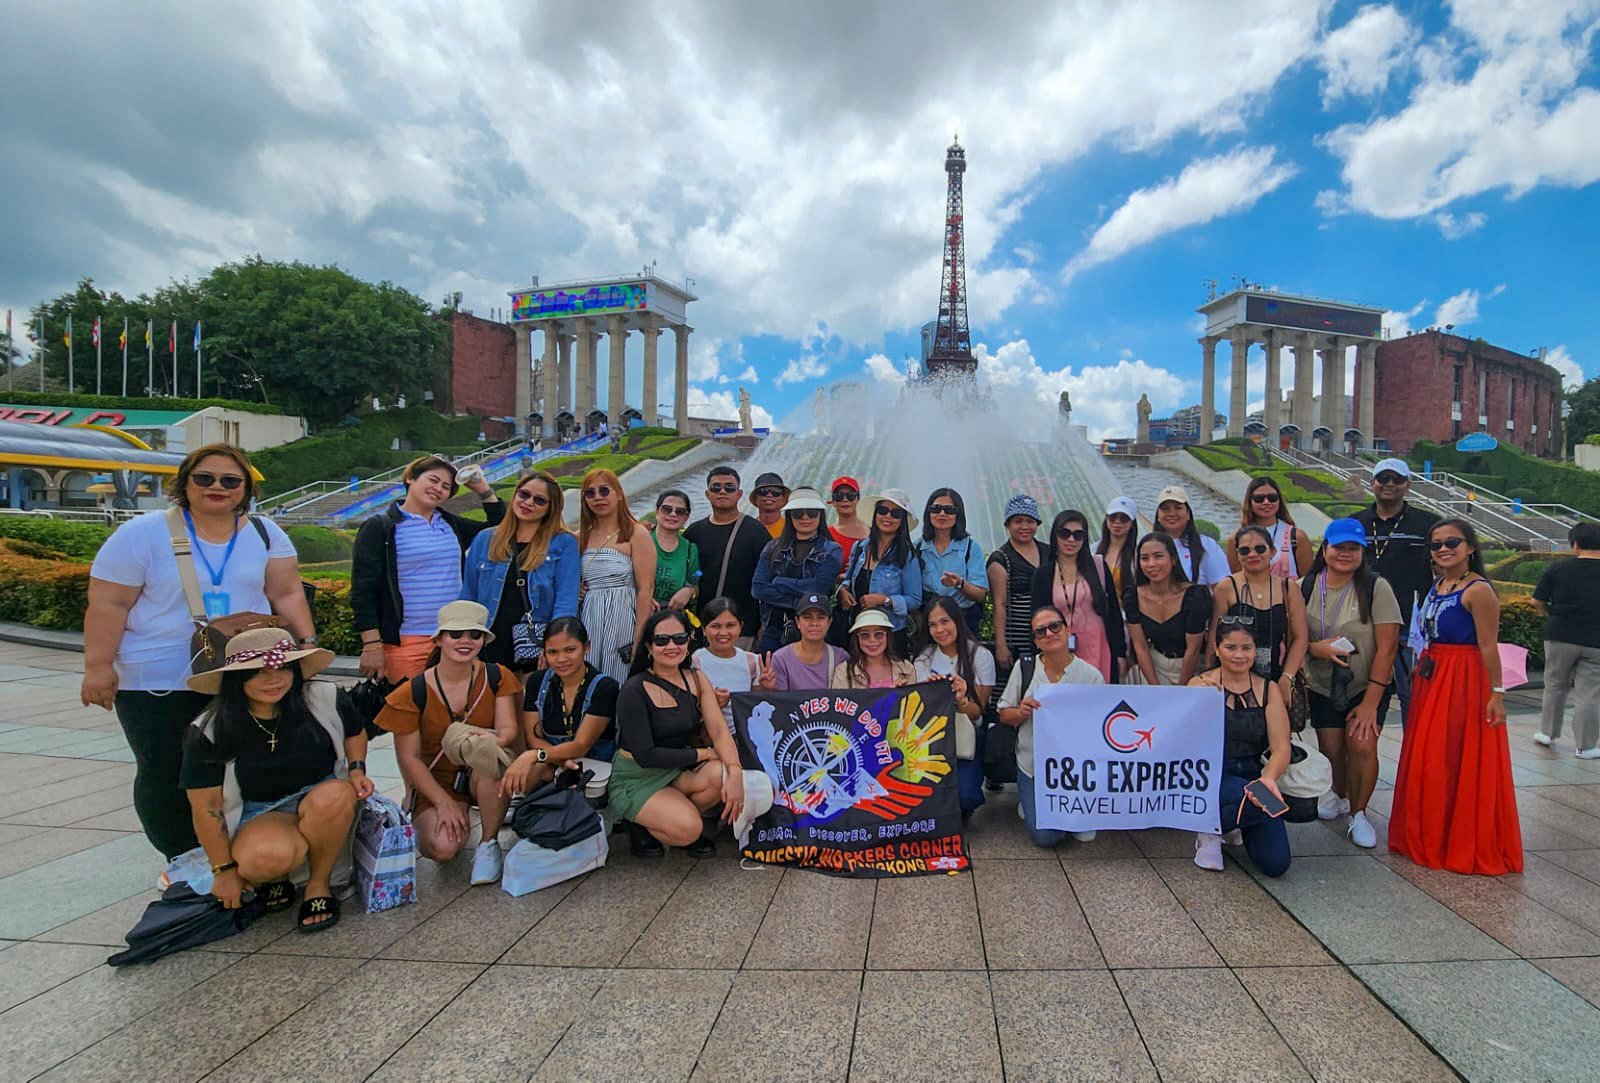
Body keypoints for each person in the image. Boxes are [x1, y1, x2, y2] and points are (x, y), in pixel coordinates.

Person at [82, 443, 314, 860]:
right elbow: (107, 603)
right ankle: (181, 855)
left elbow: (286, 592)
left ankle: (236, 851)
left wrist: (306, 647)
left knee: (237, 766)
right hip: (157, 678)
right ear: (185, 482)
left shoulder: (263, 532)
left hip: (240, 673)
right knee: (165, 770)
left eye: (231, 480)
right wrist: (98, 666)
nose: (217, 487)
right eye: (204, 478)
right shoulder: (142, 533)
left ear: (245, 489)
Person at [181, 629, 368, 930]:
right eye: (257, 672)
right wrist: (223, 870)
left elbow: (355, 730)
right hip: (258, 812)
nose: (273, 679)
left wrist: (357, 769)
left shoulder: (322, 697)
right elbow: (207, 807)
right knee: (265, 858)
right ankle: (278, 874)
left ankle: (318, 884)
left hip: (321, 797)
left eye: (282, 667)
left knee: (336, 795)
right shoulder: (210, 729)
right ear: (235, 679)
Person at [1388, 519, 1522, 874]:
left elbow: (1488, 646)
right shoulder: (1440, 584)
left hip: (1464, 679)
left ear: (1471, 547)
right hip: (1433, 676)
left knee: (1455, 756)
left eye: (1453, 542)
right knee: (1433, 758)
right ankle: (1431, 835)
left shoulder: (1478, 590)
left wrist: (1496, 694)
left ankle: (1458, 841)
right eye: (1436, 545)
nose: (1444, 549)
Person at [375, 601, 523, 886]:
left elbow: (507, 730)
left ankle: (488, 843)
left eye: (474, 635)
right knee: (443, 847)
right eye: (456, 634)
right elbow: (410, 758)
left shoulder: (497, 676)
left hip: (479, 769)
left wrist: (480, 741)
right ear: (439, 639)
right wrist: (442, 802)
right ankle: (453, 811)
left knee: (491, 764)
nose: (465, 641)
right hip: (437, 779)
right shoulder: (413, 692)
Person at [352, 455, 504, 683]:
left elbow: (498, 529)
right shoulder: (380, 527)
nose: (438, 489)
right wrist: (372, 644)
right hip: (406, 640)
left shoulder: (450, 524)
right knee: (407, 710)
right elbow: (364, 588)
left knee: (452, 710)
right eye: (432, 480)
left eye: (445, 487)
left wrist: (482, 489)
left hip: (453, 637)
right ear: (411, 478)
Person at [610, 609, 745, 857]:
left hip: (675, 770)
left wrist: (735, 771)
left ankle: (669, 815)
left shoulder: (695, 678)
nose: (671, 646)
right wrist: (704, 754)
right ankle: (645, 823)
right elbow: (646, 755)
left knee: (722, 774)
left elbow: (718, 729)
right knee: (690, 828)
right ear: (649, 647)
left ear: (689, 642)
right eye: (662, 640)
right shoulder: (633, 690)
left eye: (679, 639)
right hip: (637, 776)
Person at [1301, 518, 1401, 848]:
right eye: (1339, 547)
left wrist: (1372, 702)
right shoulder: (1305, 585)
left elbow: (1387, 647)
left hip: (1364, 684)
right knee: (1331, 748)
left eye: (1353, 548)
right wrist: (1316, 648)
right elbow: (1295, 638)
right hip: (1322, 683)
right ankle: (1339, 794)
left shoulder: (1376, 587)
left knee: (1361, 744)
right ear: (1325, 549)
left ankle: (1359, 813)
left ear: (1362, 552)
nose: (1345, 553)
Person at [1188, 623, 1293, 876]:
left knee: (1276, 864)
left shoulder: (1269, 689)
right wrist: (1199, 701)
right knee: (1245, 799)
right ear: (1216, 648)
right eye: (1230, 647)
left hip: (1253, 775)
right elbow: (1185, 739)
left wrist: (1268, 779)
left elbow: (1281, 747)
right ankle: (1210, 829)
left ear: (1256, 651)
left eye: (1246, 648)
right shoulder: (1199, 684)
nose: (1238, 655)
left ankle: (1234, 820)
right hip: (1212, 774)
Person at [996, 605, 1104, 848]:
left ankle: (1064, 812)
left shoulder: (1091, 676)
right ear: (1035, 640)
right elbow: (1004, 714)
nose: (1049, 634)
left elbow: (1100, 728)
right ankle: (1030, 800)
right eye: (1040, 631)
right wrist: (1021, 712)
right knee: (1046, 837)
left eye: (1054, 627)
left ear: (1067, 630)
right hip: (1033, 765)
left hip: (1077, 770)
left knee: (1085, 834)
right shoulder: (1024, 668)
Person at [460, 470, 578, 671]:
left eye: (539, 500)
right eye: (524, 494)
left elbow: (565, 600)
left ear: (551, 508)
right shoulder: (485, 539)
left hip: (533, 645)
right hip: (488, 643)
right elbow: (468, 596)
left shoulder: (562, 543)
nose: (528, 502)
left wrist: (555, 647)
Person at [1354, 457, 1440, 724]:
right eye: (1383, 479)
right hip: (1364, 622)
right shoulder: (1357, 523)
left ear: (1408, 485)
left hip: (1409, 626)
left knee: (1413, 699)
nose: (1389, 484)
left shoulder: (1428, 523)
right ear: (1372, 483)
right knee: (1366, 699)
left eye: (1397, 479)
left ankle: (1415, 763)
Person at [501, 617, 619, 798]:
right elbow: (533, 737)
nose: (561, 659)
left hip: (593, 769)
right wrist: (557, 759)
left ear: (586, 647)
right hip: (553, 763)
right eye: (552, 652)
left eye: (570, 650)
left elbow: (581, 745)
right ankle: (515, 809)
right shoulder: (537, 681)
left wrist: (535, 756)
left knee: (534, 764)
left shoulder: (605, 687)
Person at [914, 596, 995, 816]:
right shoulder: (924, 658)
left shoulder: (981, 656)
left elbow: (978, 716)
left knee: (965, 797)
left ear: (957, 621)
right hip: (932, 739)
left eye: (945, 621)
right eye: (933, 624)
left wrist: (962, 699)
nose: (939, 629)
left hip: (965, 738)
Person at [1211, 525, 1309, 698]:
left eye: (1259, 548)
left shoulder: (1288, 588)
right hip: (1232, 679)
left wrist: (1287, 677)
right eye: (1244, 550)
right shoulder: (1226, 588)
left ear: (1272, 551)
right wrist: (1212, 675)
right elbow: (1213, 637)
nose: (1252, 555)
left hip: (1275, 678)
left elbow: (1300, 638)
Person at [1030, 509, 1127, 683]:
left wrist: (1120, 653)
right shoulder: (1043, 574)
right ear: (1055, 536)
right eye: (1064, 534)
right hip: (1060, 647)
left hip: (1098, 645)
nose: (1071, 540)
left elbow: (1113, 613)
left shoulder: (1098, 567)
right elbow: (1037, 617)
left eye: (1078, 535)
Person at [578, 468, 655, 683]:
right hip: (590, 615)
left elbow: (646, 590)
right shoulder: (581, 536)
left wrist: (640, 637)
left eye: (604, 490)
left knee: (619, 678)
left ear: (619, 494)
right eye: (590, 493)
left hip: (623, 614)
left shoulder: (636, 533)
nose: (598, 498)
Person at [684, 466, 771, 646]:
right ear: (707, 494)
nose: (722, 491)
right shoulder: (695, 532)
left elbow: (768, 577)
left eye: (729, 488)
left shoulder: (756, 532)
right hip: (702, 628)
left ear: (739, 494)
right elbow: (695, 572)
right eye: (716, 488)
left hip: (742, 628)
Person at [750, 487, 844, 652]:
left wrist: (779, 582)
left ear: (820, 515)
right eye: (798, 513)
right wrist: (800, 601)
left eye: (812, 513)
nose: (805, 518)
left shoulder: (832, 550)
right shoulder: (772, 547)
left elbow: (819, 588)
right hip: (774, 628)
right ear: (790, 515)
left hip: (814, 630)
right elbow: (758, 589)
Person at [1534, 523, 1600, 756]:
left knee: (1555, 685)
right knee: (1589, 693)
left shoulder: (1557, 569)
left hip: (1560, 635)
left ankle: (1548, 734)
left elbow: (1537, 602)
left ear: (1576, 544)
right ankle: (1586, 746)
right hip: (1596, 641)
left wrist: (1550, 613)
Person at [838, 488, 924, 645]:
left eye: (895, 513)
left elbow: (915, 599)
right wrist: (843, 591)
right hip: (858, 629)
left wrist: (884, 600)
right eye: (883, 510)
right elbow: (848, 580)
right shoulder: (859, 547)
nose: (887, 517)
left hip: (890, 634)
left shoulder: (907, 556)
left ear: (902, 520)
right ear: (875, 514)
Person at [1124, 533, 1209, 686]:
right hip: (1154, 666)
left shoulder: (1195, 596)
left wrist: (1181, 690)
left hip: (1190, 668)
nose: (1151, 564)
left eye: (1158, 556)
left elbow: (1194, 649)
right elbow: (1140, 646)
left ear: (1173, 559)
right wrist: (1156, 688)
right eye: (1144, 558)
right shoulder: (1132, 596)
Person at [987, 493, 1048, 684]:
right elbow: (1000, 604)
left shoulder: (1049, 552)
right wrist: (1001, 644)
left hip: (1047, 632)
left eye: (1030, 521)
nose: (1024, 526)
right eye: (1018, 521)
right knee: (1016, 684)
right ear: (1007, 524)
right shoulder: (1001, 558)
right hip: (1017, 635)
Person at [917, 488, 988, 636]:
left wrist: (959, 584)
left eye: (949, 510)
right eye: (936, 509)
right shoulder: (918, 547)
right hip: (930, 623)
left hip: (963, 622)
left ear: (958, 514)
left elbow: (980, 594)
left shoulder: (970, 548)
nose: (942, 514)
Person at [693, 597, 763, 731]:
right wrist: (712, 702)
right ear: (703, 629)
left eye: (730, 625)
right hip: (707, 735)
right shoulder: (696, 660)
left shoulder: (752, 661)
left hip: (743, 736)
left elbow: (755, 705)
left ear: (741, 627)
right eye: (715, 626)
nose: (723, 633)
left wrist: (766, 687)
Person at [1228, 477, 1312, 577]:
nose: (1266, 502)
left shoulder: (1297, 537)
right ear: (1250, 502)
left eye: (1272, 498)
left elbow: (1307, 579)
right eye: (1259, 499)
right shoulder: (1235, 539)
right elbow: (1235, 579)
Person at [763, 593, 846, 690]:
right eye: (807, 617)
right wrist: (769, 688)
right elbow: (781, 702)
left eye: (820, 617)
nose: (814, 623)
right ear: (797, 622)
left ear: (829, 622)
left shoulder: (841, 657)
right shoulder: (781, 659)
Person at [1155, 485, 1230, 587]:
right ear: (1158, 516)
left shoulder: (1207, 545)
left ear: (1188, 514)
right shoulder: (1149, 546)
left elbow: (1222, 587)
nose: (1172, 513)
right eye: (1165, 509)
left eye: (1178, 508)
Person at [830, 609, 917, 688]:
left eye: (879, 634)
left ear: (887, 636)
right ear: (857, 639)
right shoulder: (843, 671)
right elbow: (839, 703)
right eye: (865, 635)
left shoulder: (907, 668)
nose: (872, 640)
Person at [649, 489, 700, 612]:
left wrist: (690, 591)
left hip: (672, 619)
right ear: (657, 512)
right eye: (667, 509)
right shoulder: (640, 542)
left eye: (680, 511)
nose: (673, 514)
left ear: (686, 517)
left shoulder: (690, 550)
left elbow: (698, 575)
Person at [1097, 496, 1139, 603]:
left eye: (1124, 518)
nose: (1117, 522)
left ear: (1132, 523)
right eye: (1113, 517)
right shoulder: (1093, 550)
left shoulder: (1139, 555)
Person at [827, 475, 869, 568]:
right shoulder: (827, 534)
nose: (845, 499)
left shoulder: (873, 530)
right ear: (833, 502)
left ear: (858, 499)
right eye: (839, 496)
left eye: (850, 495)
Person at [750, 471, 790, 539]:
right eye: (763, 491)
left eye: (776, 492)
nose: (769, 495)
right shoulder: (747, 529)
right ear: (755, 498)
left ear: (783, 499)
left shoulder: (791, 529)